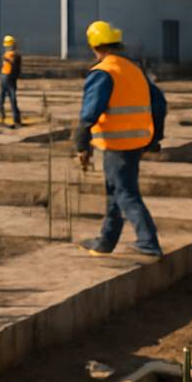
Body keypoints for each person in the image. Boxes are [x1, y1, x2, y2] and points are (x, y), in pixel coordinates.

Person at [76, 20, 166, 259]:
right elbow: (159, 102)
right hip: (136, 142)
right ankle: (106, 240)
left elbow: (89, 114)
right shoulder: (133, 68)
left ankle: (148, 241)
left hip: (117, 144)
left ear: (95, 46)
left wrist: (81, 146)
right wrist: (154, 138)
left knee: (125, 193)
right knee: (115, 192)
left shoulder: (103, 72)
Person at [0, 34, 22, 128]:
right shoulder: (7, 54)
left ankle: (16, 121)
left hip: (10, 79)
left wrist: (8, 60)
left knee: (13, 100)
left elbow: (15, 66)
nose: (7, 47)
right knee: (0, 100)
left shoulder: (15, 55)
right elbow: (4, 66)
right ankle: (2, 118)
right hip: (4, 78)